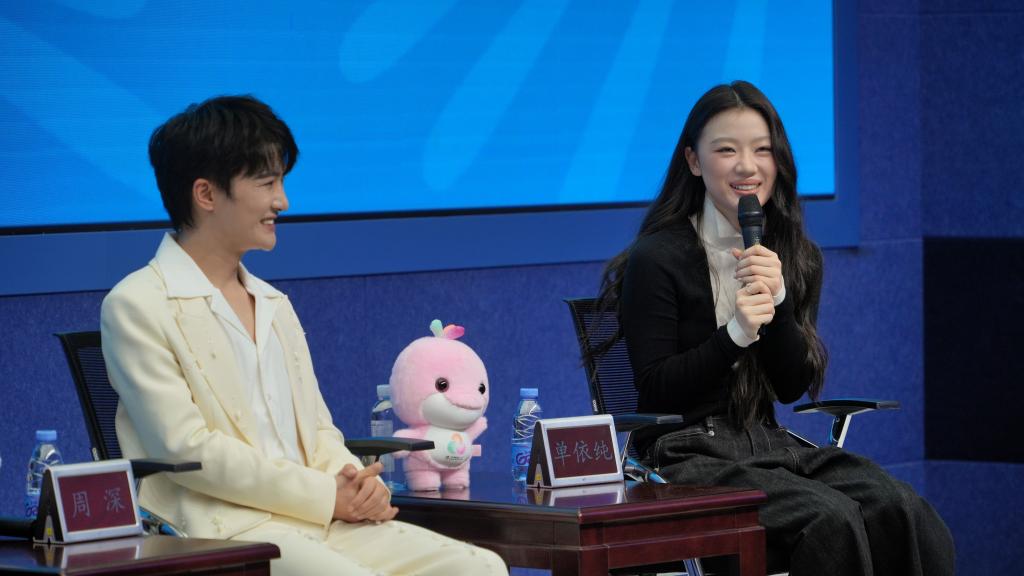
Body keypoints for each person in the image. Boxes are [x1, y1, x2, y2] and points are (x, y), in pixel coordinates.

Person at [101, 95, 507, 576]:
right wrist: (325, 495)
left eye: (281, 182)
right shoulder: (138, 305)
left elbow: (317, 431)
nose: (282, 201)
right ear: (206, 194)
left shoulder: (274, 303)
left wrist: (358, 484)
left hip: (318, 518)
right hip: (220, 530)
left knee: (481, 568)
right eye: (266, 183)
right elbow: (187, 449)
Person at [588, 81, 954, 576]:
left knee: (902, 508)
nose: (747, 166)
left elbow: (790, 385)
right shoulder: (658, 257)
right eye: (726, 150)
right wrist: (735, 335)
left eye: (762, 150)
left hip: (766, 443)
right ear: (694, 161)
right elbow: (656, 391)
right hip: (684, 454)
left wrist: (779, 304)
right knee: (830, 519)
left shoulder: (792, 253)